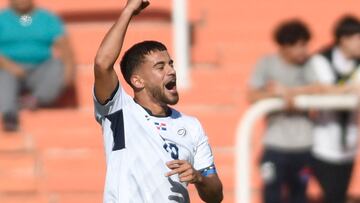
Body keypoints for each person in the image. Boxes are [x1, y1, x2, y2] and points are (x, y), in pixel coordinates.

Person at [93, 0, 223, 202]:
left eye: (170, 64)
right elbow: (102, 63)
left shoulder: (191, 126)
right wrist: (128, 11)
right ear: (137, 81)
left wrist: (198, 178)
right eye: (160, 67)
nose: (171, 70)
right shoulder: (119, 111)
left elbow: (215, 196)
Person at [248, 20, 319, 203]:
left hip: (304, 146)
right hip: (275, 145)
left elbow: (320, 88)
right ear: (286, 46)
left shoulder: (309, 64)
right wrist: (274, 93)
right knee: (271, 195)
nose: (304, 50)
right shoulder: (267, 64)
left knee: (299, 196)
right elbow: (252, 94)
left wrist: (288, 91)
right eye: (300, 45)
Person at [0, 0, 75, 132]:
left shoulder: (48, 19)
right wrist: (9, 66)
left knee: (57, 66)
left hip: (40, 68)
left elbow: (64, 47)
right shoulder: (2, 19)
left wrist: (69, 72)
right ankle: (9, 114)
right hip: (8, 68)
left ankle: (35, 100)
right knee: (3, 76)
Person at [309, 15, 360, 203]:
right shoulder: (321, 60)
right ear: (344, 39)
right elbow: (322, 89)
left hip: (350, 146)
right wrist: (348, 89)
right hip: (323, 146)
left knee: (339, 196)